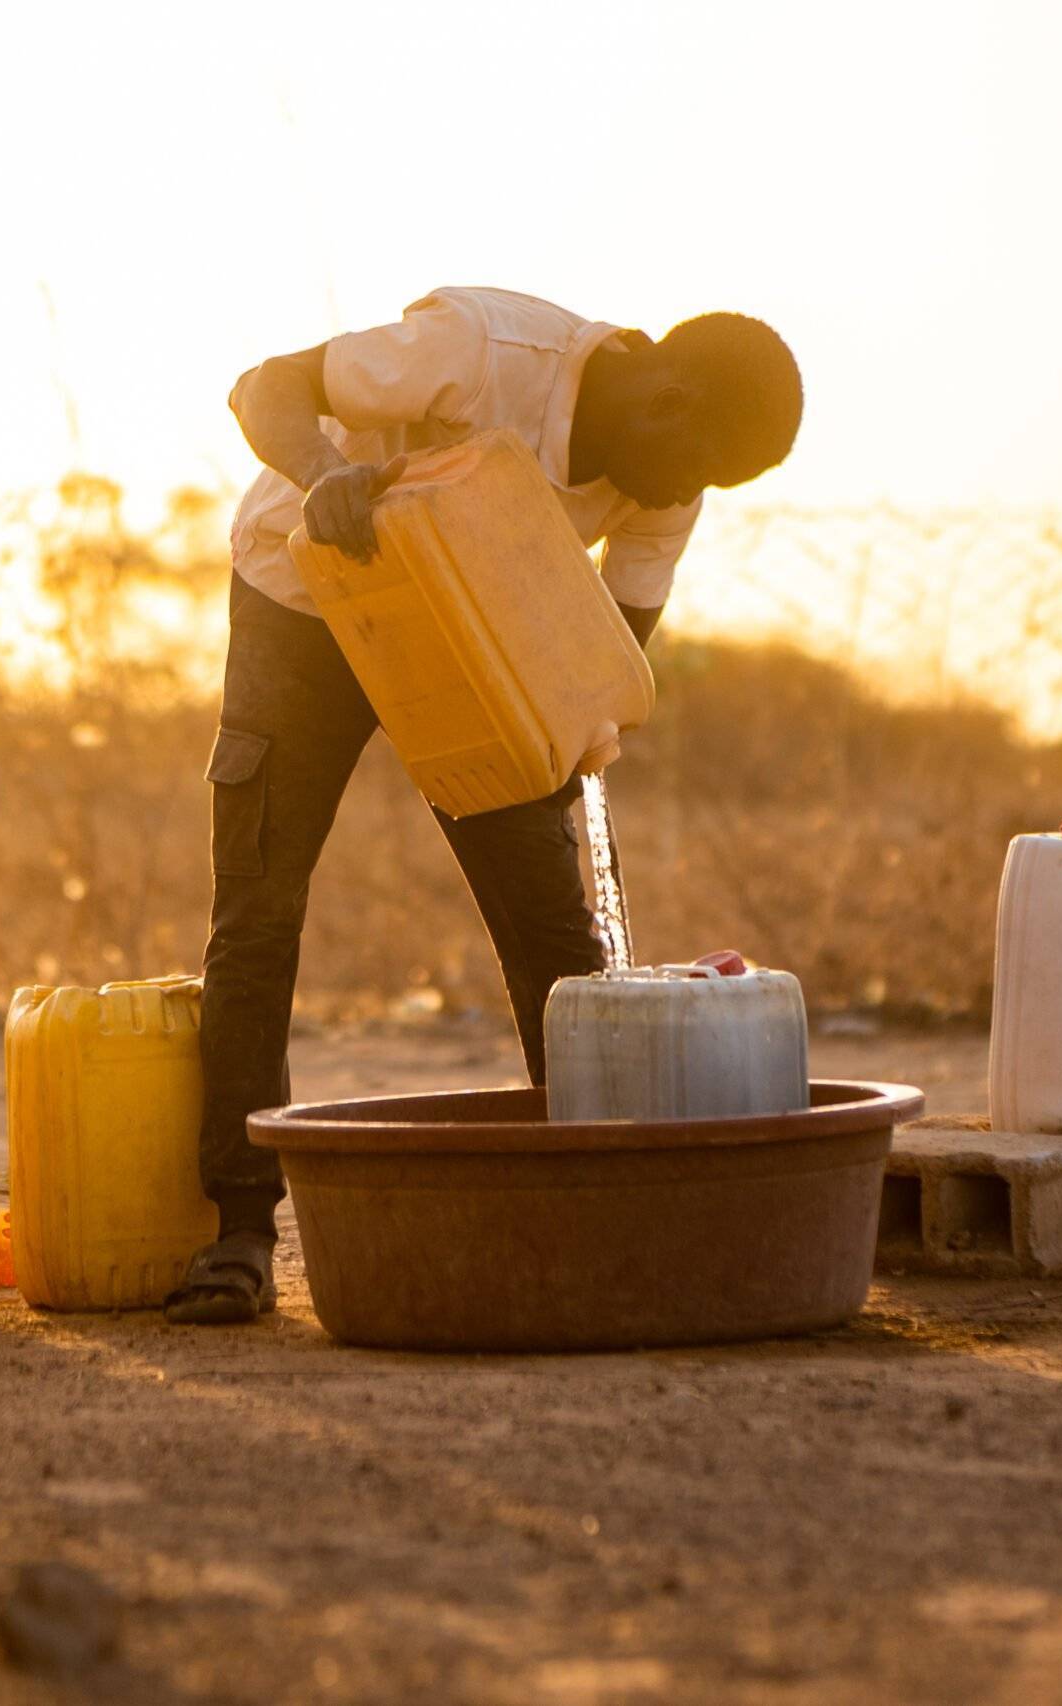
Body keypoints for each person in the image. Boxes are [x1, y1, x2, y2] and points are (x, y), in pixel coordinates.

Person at [165, 287, 804, 1325]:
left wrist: (566, 753)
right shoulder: (478, 348)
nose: (685, 494)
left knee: (551, 923)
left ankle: (599, 1205)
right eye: (692, 468)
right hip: (310, 594)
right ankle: (237, 1228)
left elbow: (610, 652)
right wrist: (327, 473)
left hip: (471, 642)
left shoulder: (671, 481)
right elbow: (265, 386)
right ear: (669, 394)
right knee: (259, 905)